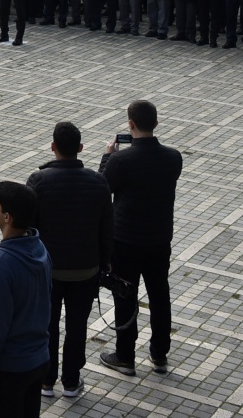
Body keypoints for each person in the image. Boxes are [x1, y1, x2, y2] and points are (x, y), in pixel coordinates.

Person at [97, 100, 183, 378]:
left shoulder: (121, 160)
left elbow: (102, 189)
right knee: (160, 295)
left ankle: (125, 356)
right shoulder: (173, 157)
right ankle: (159, 354)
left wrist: (109, 156)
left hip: (125, 241)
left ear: (130, 125)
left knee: (126, 296)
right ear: (156, 124)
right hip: (159, 239)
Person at [26, 123, 110, 402]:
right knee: (77, 325)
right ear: (81, 149)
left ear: (53, 147)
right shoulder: (98, 182)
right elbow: (106, 229)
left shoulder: (39, 180)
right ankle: (72, 381)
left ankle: (46, 380)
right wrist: (105, 265)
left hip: (48, 270)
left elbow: (28, 226)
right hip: (86, 270)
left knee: (47, 325)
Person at [0, 181, 52, 417]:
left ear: (7, 217)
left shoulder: (1, 264)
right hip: (38, 359)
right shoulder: (39, 249)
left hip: (10, 369)